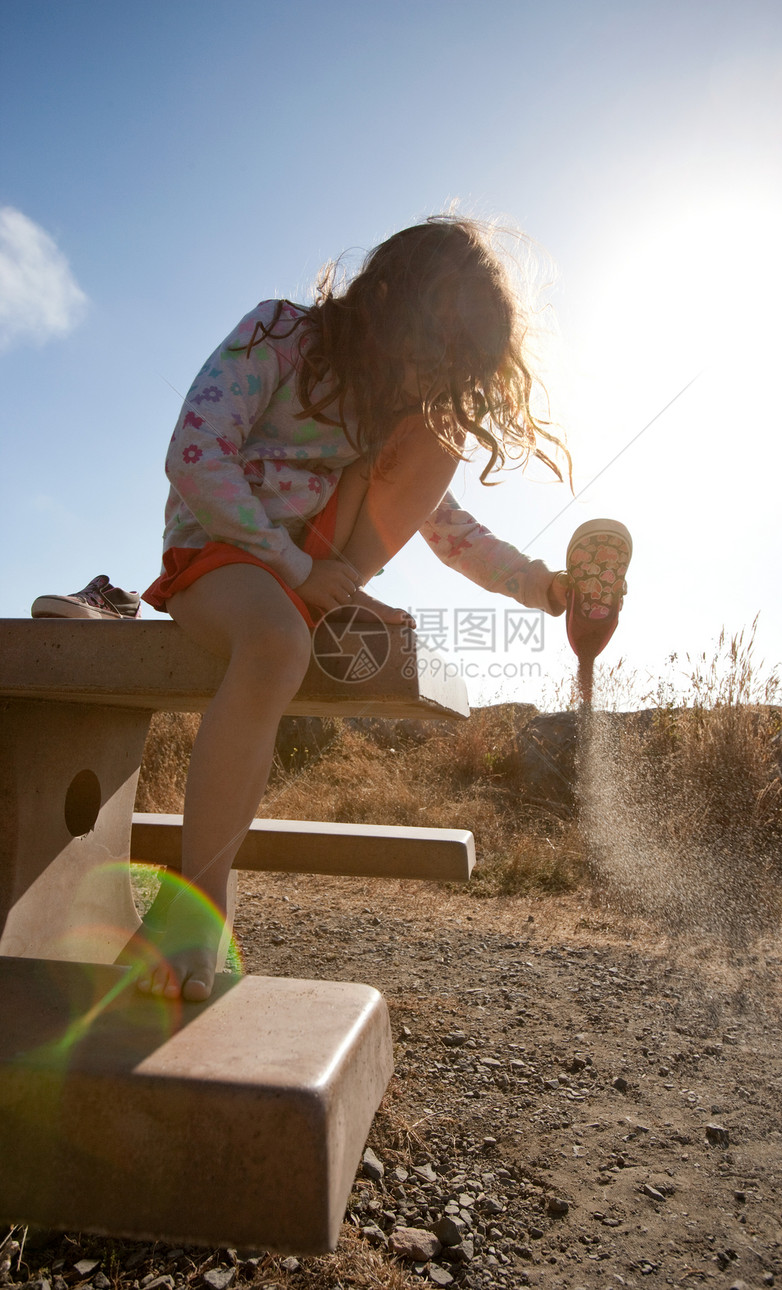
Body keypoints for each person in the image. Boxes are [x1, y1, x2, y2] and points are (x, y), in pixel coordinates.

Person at [131, 216, 629, 1002]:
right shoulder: (279, 333)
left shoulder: (406, 409)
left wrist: (543, 587)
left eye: (454, 368)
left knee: (440, 440)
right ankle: (193, 905)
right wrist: (294, 566)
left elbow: (448, 528)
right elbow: (194, 454)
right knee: (273, 642)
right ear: (386, 298)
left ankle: (335, 597)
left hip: (316, 571)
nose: (430, 381)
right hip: (223, 549)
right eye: (431, 352)